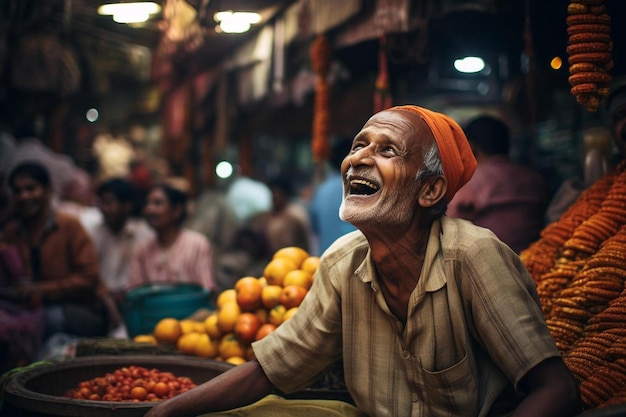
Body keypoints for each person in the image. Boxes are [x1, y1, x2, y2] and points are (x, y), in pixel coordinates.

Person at [144, 105, 580, 417]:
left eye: (388, 151)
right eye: (358, 145)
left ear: (429, 191)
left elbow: (555, 388)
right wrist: (166, 411)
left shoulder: (473, 256)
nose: (358, 159)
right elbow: (271, 369)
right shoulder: (341, 262)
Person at [0, 161, 108, 370]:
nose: (24, 197)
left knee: (47, 319)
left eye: (31, 189)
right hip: (31, 310)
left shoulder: (69, 226)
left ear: (48, 190)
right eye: (18, 191)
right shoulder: (12, 232)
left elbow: (89, 278)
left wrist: (40, 290)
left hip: (79, 310)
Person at [447, 115, 548, 253]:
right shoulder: (533, 178)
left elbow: (450, 224)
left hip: (489, 263)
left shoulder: (470, 181)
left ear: (471, 147)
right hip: (533, 258)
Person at [86, 178, 154, 334]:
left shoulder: (143, 235)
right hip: (99, 302)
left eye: (109, 203)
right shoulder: (94, 234)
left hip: (134, 301)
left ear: (127, 205)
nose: (104, 209)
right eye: (101, 203)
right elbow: (89, 273)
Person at [128, 183, 216, 293]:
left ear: (177, 210)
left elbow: (207, 288)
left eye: (157, 203)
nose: (149, 209)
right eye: (147, 204)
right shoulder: (142, 249)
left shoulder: (197, 244)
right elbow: (136, 291)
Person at [309, 137, 356, 255]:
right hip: (356, 264)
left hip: (326, 263)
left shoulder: (322, 190)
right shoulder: (363, 189)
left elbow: (314, 232)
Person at [248, 176, 311, 254]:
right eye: (273, 193)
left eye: (278, 193)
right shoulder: (264, 217)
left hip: (292, 258)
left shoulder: (295, 215)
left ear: (285, 194)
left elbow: (306, 242)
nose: (275, 196)